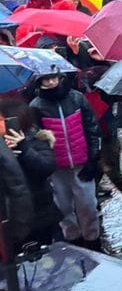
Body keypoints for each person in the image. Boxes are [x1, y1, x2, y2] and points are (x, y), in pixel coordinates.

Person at [29, 71, 101, 249]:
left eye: (53, 77)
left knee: (88, 206)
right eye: (46, 79)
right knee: (62, 209)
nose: (51, 82)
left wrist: (93, 158)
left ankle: (93, 241)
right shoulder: (36, 106)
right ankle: (73, 242)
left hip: (81, 162)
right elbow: (35, 138)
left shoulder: (77, 98)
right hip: (56, 168)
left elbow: (91, 127)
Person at [0, 98, 58, 251]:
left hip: (39, 212)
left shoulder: (36, 138)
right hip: (12, 216)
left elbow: (46, 167)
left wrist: (24, 149)